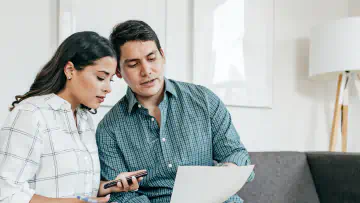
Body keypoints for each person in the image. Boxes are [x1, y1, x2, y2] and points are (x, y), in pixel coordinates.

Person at [96, 20, 255, 203]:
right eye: (133, 64)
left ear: (162, 55)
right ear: (118, 71)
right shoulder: (108, 130)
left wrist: (229, 170)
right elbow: (124, 196)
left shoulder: (204, 100)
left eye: (151, 58)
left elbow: (235, 153)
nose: (146, 71)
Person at [0, 31, 144, 203]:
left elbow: (75, 188)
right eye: (100, 77)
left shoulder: (85, 119)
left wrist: (110, 185)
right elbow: (7, 194)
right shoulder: (31, 114)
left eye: (110, 80)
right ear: (70, 70)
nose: (108, 88)